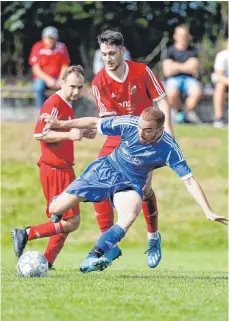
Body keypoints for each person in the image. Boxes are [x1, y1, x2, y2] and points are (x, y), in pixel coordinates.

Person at [37, 107, 227, 274]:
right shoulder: (130, 123)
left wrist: (208, 211)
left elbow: (190, 181)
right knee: (55, 209)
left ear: (160, 130)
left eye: (147, 130)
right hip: (105, 169)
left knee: (129, 215)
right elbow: (95, 122)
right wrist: (60, 123)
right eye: (140, 128)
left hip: (130, 183)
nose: (141, 133)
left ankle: (93, 257)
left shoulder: (169, 148)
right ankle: (58, 203)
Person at [91, 29, 174, 269]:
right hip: (118, 136)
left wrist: (168, 135)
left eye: (112, 53)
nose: (107, 58)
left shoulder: (142, 71)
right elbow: (110, 123)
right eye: (104, 53)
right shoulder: (98, 82)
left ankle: (153, 237)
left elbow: (162, 101)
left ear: (122, 51)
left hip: (146, 138)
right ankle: (108, 244)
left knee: (145, 189)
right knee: (98, 181)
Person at [11, 65, 96, 269]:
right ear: (62, 82)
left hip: (64, 168)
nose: (76, 92)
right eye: (72, 86)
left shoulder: (66, 104)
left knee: (66, 220)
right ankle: (26, 233)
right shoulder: (54, 103)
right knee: (72, 221)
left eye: (80, 87)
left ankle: (47, 261)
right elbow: (40, 134)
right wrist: (69, 134)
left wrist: (82, 133)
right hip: (55, 169)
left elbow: (60, 130)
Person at [162, 25, 202, 124]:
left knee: (196, 92)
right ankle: (179, 112)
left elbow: (194, 68)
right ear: (175, 36)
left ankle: (184, 114)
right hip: (173, 79)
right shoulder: (170, 51)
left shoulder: (193, 50)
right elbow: (167, 71)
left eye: (185, 35)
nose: (183, 37)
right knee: (171, 93)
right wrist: (186, 66)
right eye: (180, 35)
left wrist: (175, 66)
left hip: (189, 79)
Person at [29, 26, 70, 108]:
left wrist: (60, 79)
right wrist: (48, 79)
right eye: (48, 38)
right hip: (42, 77)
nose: (50, 41)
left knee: (69, 87)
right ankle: (41, 111)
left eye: (52, 38)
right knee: (39, 88)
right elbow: (36, 69)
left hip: (58, 77)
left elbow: (65, 66)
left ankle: (64, 111)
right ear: (43, 38)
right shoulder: (37, 47)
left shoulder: (61, 47)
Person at [212, 40, 229, 128]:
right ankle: (218, 117)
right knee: (220, 86)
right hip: (223, 82)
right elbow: (219, 76)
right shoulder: (222, 56)